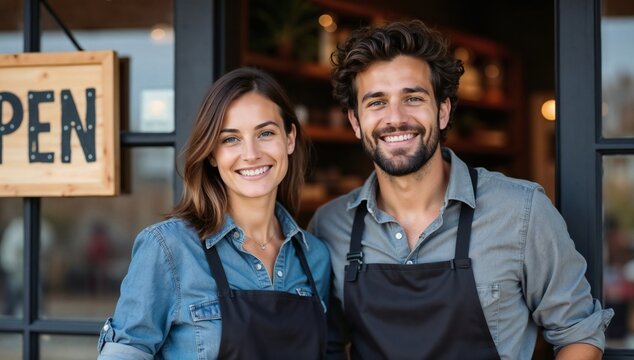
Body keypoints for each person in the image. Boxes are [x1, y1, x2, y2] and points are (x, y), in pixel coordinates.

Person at [308, 20, 613, 360]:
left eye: (413, 98)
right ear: (355, 121)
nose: (395, 118)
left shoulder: (521, 211)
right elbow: (324, 345)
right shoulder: (330, 226)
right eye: (376, 102)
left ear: (442, 110)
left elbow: (579, 333)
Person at [98, 67, 330, 359]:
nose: (251, 153)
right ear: (211, 153)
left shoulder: (314, 258)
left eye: (266, 133)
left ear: (290, 138)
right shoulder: (169, 249)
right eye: (230, 139)